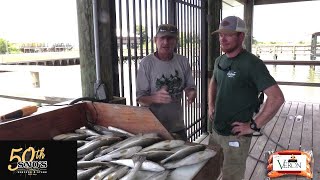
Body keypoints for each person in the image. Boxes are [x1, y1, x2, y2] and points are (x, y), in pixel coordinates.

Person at [208, 16, 285, 180]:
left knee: (231, 176)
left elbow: (277, 98)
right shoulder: (219, 60)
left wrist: (253, 125)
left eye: (228, 34)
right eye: (221, 34)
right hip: (216, 131)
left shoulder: (252, 64)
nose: (223, 38)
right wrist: (211, 105)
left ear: (241, 36)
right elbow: (213, 81)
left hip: (236, 136)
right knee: (210, 171)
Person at [136, 24, 197, 141]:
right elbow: (140, 98)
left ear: (176, 41)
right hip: (153, 127)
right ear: (155, 40)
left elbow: (189, 86)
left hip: (177, 125)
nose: (166, 42)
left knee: (182, 157)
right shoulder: (146, 63)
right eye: (162, 38)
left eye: (170, 38)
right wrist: (155, 98)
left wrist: (191, 93)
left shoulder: (182, 61)